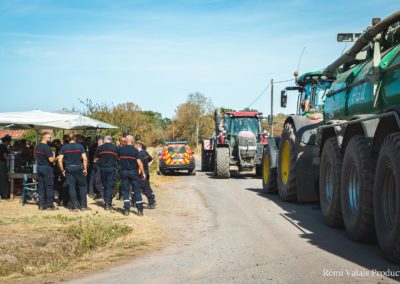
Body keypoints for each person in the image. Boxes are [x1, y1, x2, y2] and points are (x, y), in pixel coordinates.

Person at [58, 134, 89, 211]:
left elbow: (59, 160)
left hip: (69, 168)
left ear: (68, 139)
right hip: (78, 167)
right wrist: (85, 169)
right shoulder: (80, 147)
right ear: (75, 138)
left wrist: (62, 170)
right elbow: (85, 159)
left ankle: (74, 206)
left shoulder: (64, 147)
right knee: (82, 186)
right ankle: (83, 206)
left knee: (71, 187)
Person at [118, 135, 145, 216]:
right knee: (137, 191)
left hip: (124, 173)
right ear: (132, 141)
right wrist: (143, 173)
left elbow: (118, 160)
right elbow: (139, 163)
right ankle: (140, 210)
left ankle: (127, 210)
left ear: (125, 141)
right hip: (134, 173)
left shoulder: (120, 150)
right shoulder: (135, 151)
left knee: (126, 192)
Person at [35, 132, 58, 210]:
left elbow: (34, 157)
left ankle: (41, 205)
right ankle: (49, 205)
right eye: (49, 137)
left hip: (39, 167)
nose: (50, 139)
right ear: (44, 137)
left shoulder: (37, 147)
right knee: (49, 187)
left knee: (41, 187)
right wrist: (57, 158)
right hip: (47, 168)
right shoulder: (47, 147)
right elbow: (51, 160)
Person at [94, 136, 118, 210]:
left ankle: (106, 202)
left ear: (104, 140)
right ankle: (108, 203)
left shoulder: (100, 148)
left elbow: (95, 160)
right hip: (112, 168)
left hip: (102, 169)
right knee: (109, 186)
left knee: (104, 185)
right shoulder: (115, 148)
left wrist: (100, 162)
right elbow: (118, 159)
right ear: (111, 140)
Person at [135, 142, 156, 209]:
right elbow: (152, 160)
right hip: (146, 172)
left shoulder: (140, 154)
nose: (134, 148)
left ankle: (151, 203)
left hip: (142, 173)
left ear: (138, 146)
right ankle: (152, 201)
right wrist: (147, 165)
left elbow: (140, 165)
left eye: (135, 146)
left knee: (145, 188)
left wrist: (138, 174)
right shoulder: (145, 152)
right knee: (146, 187)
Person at [0, 135, 11, 199]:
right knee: (3, 179)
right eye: (8, 142)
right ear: (6, 141)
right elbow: (5, 156)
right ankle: (4, 194)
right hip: (2, 164)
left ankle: (2, 194)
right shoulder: (4, 147)